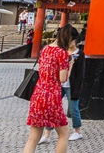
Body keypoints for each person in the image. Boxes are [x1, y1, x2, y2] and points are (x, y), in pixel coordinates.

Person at [22, 24, 73, 153]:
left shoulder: (45, 49)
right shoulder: (62, 53)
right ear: (69, 38)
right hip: (52, 96)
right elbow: (62, 79)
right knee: (64, 134)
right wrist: (70, 64)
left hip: (38, 93)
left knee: (33, 138)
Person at [39, 27, 85, 145]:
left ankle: (77, 130)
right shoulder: (61, 52)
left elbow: (80, 74)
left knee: (73, 107)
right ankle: (47, 133)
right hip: (58, 84)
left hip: (71, 85)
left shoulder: (79, 54)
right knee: (52, 108)